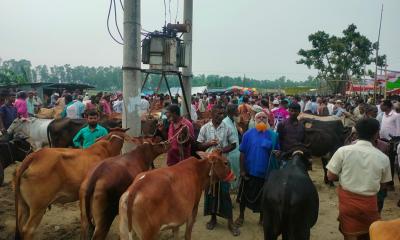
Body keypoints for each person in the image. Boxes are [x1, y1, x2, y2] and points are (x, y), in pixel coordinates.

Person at [327, 118, 391, 240]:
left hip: (347, 204)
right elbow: (384, 185)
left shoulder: (343, 151)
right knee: (369, 233)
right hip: (369, 205)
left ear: (355, 132)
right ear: (377, 133)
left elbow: (330, 176)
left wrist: (347, 176)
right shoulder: (383, 158)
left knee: (348, 234)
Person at [197, 104, 240, 236]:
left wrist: (221, 150)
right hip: (209, 167)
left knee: (225, 192)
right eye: (218, 113)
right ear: (212, 113)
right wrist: (209, 144)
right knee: (210, 192)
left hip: (222, 166)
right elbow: (198, 144)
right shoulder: (205, 128)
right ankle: (213, 218)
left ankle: (230, 222)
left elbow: (233, 144)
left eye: (222, 114)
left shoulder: (227, 128)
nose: (221, 116)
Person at [235, 111, 279, 227]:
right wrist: (242, 170)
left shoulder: (274, 136)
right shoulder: (247, 134)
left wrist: (277, 153)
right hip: (249, 172)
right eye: (258, 117)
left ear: (268, 120)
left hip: (265, 174)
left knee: (264, 198)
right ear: (254, 120)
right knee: (243, 196)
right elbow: (242, 154)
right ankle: (241, 216)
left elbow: (278, 153)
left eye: (264, 117)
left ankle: (262, 219)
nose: (261, 119)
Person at [379, 99, 400, 189]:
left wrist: (395, 141)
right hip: (382, 140)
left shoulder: (396, 116)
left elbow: (399, 130)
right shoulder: (383, 114)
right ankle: (384, 180)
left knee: (390, 162)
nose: (380, 106)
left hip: (391, 142)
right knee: (383, 161)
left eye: (382, 105)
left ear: (387, 106)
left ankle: (390, 183)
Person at [222, 104, 241, 191]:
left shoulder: (232, 121)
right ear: (232, 112)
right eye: (237, 110)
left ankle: (233, 188)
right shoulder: (226, 123)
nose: (238, 112)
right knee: (231, 173)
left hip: (236, 152)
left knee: (235, 171)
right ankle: (231, 189)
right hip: (230, 153)